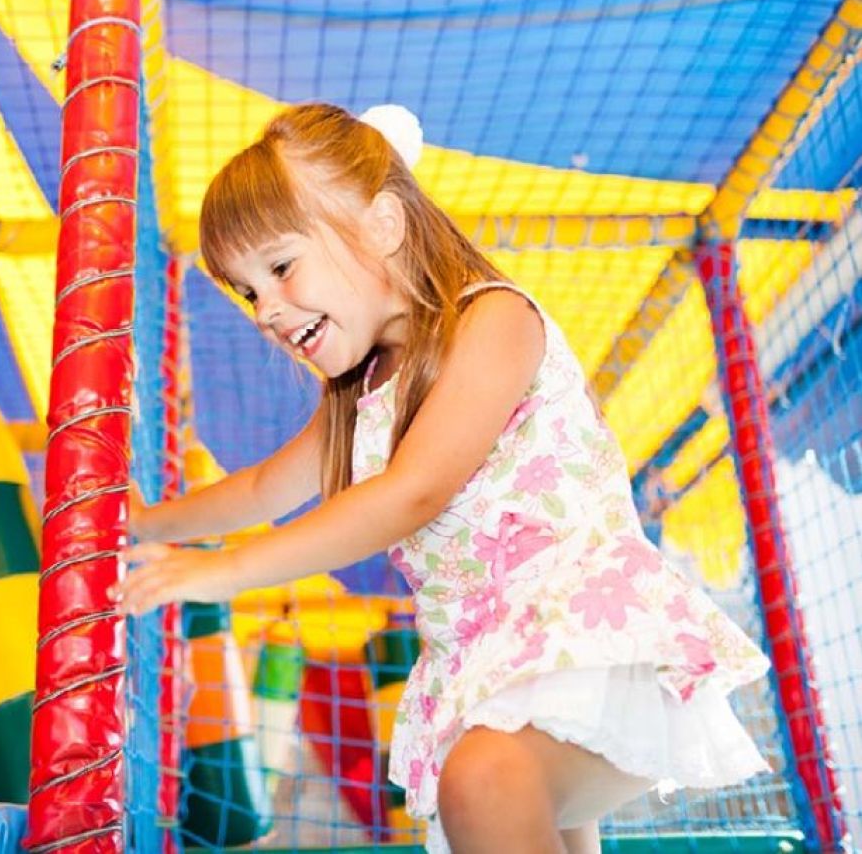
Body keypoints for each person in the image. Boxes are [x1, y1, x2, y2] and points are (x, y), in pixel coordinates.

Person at [116, 102, 771, 853]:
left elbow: (411, 493)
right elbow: (265, 487)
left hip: (583, 633)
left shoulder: (492, 321)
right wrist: (144, 523)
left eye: (281, 266)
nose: (265, 309)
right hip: (486, 660)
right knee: (522, 806)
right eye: (247, 291)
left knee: (484, 779)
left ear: (383, 227)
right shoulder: (359, 398)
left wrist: (222, 574)